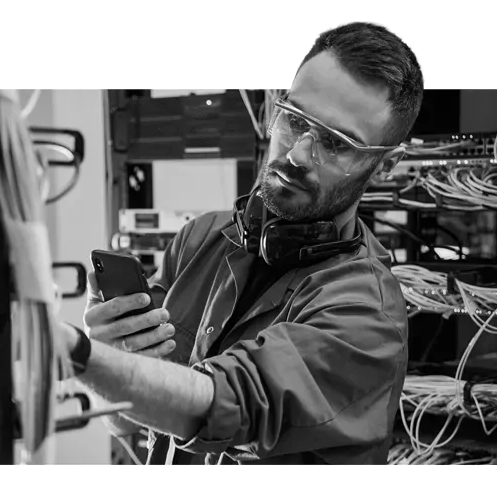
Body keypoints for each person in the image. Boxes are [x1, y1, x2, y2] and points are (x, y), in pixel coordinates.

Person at [57, 20, 425, 465]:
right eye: (294, 119)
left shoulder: (365, 313)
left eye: (335, 143)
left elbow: (221, 402)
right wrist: (115, 358)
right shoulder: (202, 240)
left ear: (386, 166)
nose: (298, 154)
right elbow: (130, 423)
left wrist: (74, 352)